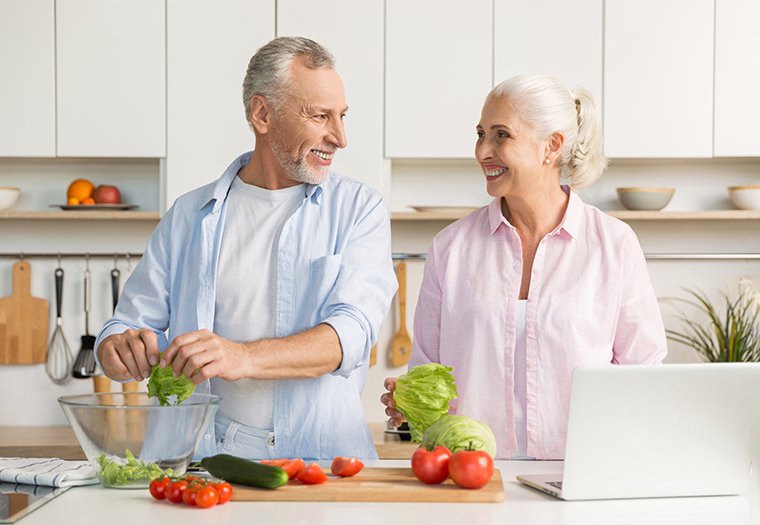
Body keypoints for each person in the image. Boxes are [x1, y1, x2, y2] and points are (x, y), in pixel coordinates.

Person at [95, 37, 397, 461]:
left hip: (323, 463)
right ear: (262, 115)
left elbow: (350, 336)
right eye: (320, 116)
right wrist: (116, 349)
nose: (340, 137)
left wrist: (243, 356)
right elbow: (125, 325)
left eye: (342, 116)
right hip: (195, 460)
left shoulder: (359, 210)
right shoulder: (187, 214)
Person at [381, 74, 667, 460]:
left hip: (579, 473)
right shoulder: (450, 248)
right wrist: (408, 404)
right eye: (481, 133)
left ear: (551, 146)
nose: (483, 150)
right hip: (469, 476)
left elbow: (643, 376)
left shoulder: (613, 246)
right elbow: (427, 372)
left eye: (502, 135)